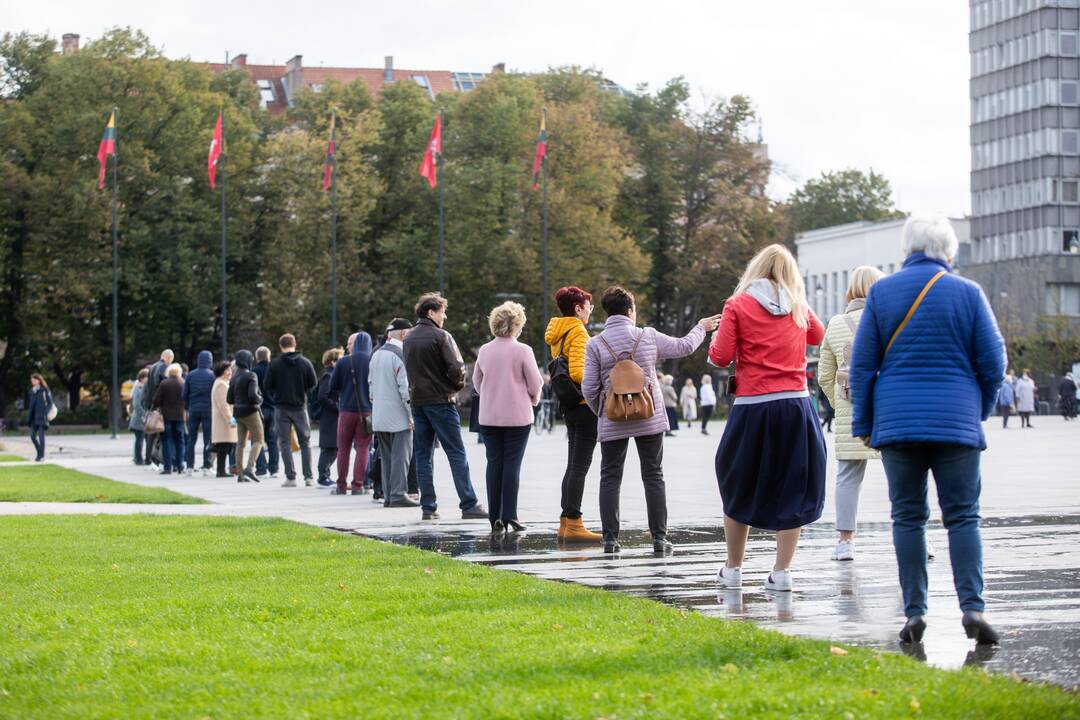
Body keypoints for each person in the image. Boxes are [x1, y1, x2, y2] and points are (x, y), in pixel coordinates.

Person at [850, 216, 1006, 646]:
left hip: (898, 425)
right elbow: (994, 365)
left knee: (907, 516)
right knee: (963, 516)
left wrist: (864, 422)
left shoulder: (882, 292)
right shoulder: (968, 294)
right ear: (949, 252)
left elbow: (863, 366)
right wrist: (980, 410)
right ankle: (972, 608)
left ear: (907, 250)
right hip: (956, 425)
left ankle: (915, 612)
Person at [710, 244, 826, 593]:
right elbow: (817, 336)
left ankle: (733, 568)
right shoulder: (798, 304)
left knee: (737, 480)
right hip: (796, 405)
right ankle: (782, 572)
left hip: (753, 405)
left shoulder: (738, 304)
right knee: (795, 483)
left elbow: (720, 356)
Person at [581, 286, 720, 554]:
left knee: (610, 477)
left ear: (608, 312)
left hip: (613, 418)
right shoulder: (647, 336)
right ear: (630, 311)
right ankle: (659, 538)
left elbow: (588, 386)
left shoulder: (595, 344)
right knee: (653, 475)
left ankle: (610, 539)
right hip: (649, 417)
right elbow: (684, 346)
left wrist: (603, 407)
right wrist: (701, 327)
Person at [817, 265, 886, 562]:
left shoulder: (835, 323)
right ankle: (917, 535)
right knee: (904, 474)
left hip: (851, 411)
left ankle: (845, 542)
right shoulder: (888, 320)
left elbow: (824, 375)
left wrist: (840, 406)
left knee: (847, 477)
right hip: (887, 410)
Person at [403, 292, 487, 521]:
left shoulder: (408, 338)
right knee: (456, 453)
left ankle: (428, 507)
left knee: (423, 455)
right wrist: (456, 386)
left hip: (418, 402)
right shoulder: (441, 336)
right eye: (442, 312)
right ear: (431, 312)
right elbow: (457, 369)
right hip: (441, 401)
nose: (445, 316)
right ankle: (468, 503)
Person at [474, 302, 544, 533]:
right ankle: (510, 514)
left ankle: (494, 515)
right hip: (517, 416)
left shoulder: (484, 350)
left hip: (489, 416)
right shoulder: (523, 350)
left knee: (494, 462)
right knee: (512, 464)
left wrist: (488, 394)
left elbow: (477, 381)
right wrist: (533, 399)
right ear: (517, 325)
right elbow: (536, 383)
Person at [544, 286, 603, 541]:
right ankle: (575, 523)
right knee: (580, 466)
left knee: (572, 465)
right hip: (583, 405)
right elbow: (579, 373)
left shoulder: (558, 333)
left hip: (569, 405)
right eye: (589, 306)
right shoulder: (578, 331)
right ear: (578, 308)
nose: (590, 310)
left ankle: (566, 523)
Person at [369, 319, 420, 508]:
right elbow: (405, 389)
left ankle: (389, 495)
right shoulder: (400, 354)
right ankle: (399, 494)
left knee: (387, 457)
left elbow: (371, 387)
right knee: (401, 456)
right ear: (404, 333)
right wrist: (411, 415)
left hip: (380, 415)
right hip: (398, 415)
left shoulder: (377, 354)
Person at [265, 333, 319, 487]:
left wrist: (277, 394)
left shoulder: (274, 364)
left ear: (280, 346)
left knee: (284, 442)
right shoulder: (305, 363)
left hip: (281, 407)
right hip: (300, 407)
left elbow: (267, 385)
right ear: (295, 343)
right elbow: (313, 384)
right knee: (305, 442)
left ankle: (291, 477)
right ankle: (308, 477)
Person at [330, 332, 373, 495]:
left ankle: (341, 485)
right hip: (367, 412)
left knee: (343, 449)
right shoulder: (372, 361)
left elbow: (333, 385)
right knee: (363, 448)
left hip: (346, 410)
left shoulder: (343, 361)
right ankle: (358, 485)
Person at [227, 349, 264, 483]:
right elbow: (253, 396)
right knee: (259, 440)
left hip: (238, 412)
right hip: (250, 412)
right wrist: (261, 399)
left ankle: (241, 474)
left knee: (240, 444)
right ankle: (250, 467)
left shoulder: (234, 377)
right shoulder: (251, 375)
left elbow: (229, 399)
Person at [182, 350, 215, 475]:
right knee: (208, 438)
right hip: (208, 410)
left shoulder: (190, 375)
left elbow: (184, 394)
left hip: (194, 409)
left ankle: (189, 466)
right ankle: (207, 466)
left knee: (191, 439)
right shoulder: (212, 375)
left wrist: (188, 407)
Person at [151, 364, 187, 475]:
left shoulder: (164, 384)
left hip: (166, 417)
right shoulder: (183, 383)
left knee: (166, 441)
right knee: (180, 441)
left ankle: (168, 467)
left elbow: (156, 400)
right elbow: (186, 398)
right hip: (180, 416)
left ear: (168, 373)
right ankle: (180, 465)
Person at [141, 349, 174, 467]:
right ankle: (158, 459)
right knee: (160, 432)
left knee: (152, 432)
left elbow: (149, 386)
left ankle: (148, 458)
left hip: (152, 404)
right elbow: (160, 385)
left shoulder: (153, 367)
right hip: (160, 405)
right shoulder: (164, 367)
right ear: (169, 358)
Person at [315, 348, 343, 487]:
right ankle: (322, 477)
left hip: (331, 416)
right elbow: (322, 396)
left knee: (333, 447)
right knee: (330, 448)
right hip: (330, 417)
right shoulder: (329, 376)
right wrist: (337, 406)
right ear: (333, 362)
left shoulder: (331, 375)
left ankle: (324, 476)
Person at [253, 346, 280, 480]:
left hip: (259, 409)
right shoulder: (274, 370)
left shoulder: (254, 371)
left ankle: (261, 468)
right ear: (268, 357)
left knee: (258, 440)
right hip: (273, 408)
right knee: (273, 441)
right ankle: (274, 469)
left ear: (257, 357)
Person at [210, 361, 237, 478]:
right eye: (227, 370)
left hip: (223, 420)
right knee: (223, 447)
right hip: (223, 421)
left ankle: (221, 470)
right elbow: (223, 404)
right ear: (221, 371)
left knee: (224, 446)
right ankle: (221, 471)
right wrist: (230, 419)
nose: (230, 372)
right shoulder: (221, 384)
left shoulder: (222, 383)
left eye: (230, 370)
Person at [25, 373, 53, 462]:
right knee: (33, 436)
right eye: (31, 380)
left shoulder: (45, 390)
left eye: (33, 380)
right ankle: (39, 453)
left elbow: (50, 403)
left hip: (42, 416)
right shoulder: (31, 391)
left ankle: (41, 456)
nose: (32, 381)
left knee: (41, 437)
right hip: (33, 417)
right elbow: (31, 405)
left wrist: (45, 413)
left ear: (38, 380)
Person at [128, 369, 150, 465]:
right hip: (138, 419)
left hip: (142, 418)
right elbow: (137, 404)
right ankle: (138, 459)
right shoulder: (138, 388)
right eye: (146, 377)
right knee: (139, 439)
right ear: (141, 378)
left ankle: (142, 458)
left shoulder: (143, 388)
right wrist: (144, 414)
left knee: (142, 439)